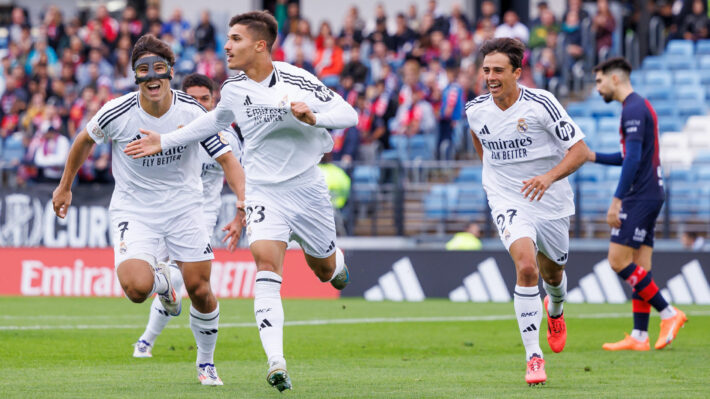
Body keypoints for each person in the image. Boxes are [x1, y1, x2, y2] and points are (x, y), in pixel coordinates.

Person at [123, 11, 357, 392]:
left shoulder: (298, 79)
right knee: (266, 264)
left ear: (260, 45)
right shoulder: (233, 89)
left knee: (325, 271)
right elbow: (210, 122)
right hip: (264, 189)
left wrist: (315, 117)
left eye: (235, 39)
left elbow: (349, 114)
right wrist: (163, 140)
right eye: (227, 39)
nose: (227, 46)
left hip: (307, 187)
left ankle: (336, 262)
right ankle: (276, 362)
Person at [51, 34, 244, 386]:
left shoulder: (191, 110)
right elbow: (82, 140)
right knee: (137, 288)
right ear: (134, 75)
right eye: (143, 70)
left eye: (159, 69)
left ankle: (205, 363)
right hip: (134, 210)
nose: (152, 76)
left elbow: (227, 158)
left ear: (170, 72)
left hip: (185, 209)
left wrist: (243, 203)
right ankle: (165, 284)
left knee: (200, 290)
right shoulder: (117, 111)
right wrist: (65, 186)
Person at [465, 38, 590, 386]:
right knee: (525, 265)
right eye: (486, 69)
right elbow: (478, 138)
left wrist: (548, 177)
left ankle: (557, 308)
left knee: (553, 275)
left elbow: (580, 151)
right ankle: (534, 357)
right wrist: (495, 180)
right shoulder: (475, 109)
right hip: (507, 198)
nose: (490, 76)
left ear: (517, 72)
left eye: (498, 70)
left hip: (550, 201)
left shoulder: (541, 104)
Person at [132, 73, 246, 367]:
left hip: (200, 216)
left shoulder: (226, 136)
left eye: (205, 99)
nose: (199, 104)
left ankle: (147, 340)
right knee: (148, 278)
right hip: (159, 211)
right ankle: (148, 337)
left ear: (213, 101)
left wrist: (239, 213)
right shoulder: (165, 130)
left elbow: (240, 174)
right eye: (193, 98)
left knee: (181, 277)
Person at [589, 57, 687, 352]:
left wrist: (616, 201)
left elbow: (632, 160)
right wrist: (591, 156)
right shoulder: (639, 106)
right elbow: (629, 155)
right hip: (652, 192)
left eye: (599, 81)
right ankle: (640, 336)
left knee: (618, 261)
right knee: (641, 266)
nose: (598, 89)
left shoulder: (631, 108)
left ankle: (669, 313)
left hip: (640, 195)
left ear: (615, 79)